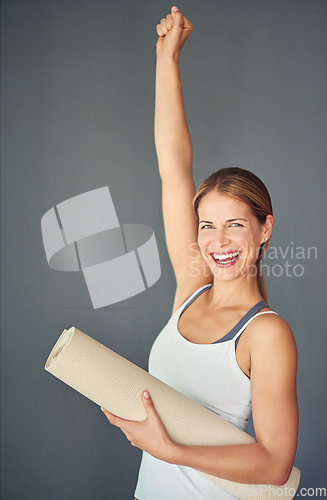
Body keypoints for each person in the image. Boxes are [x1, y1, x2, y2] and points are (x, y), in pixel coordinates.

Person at [101, 6, 299, 499]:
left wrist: (169, 449)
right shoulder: (192, 285)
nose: (218, 241)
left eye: (236, 225)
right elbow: (174, 167)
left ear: (264, 229)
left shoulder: (266, 334)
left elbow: (275, 464)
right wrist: (166, 60)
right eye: (207, 225)